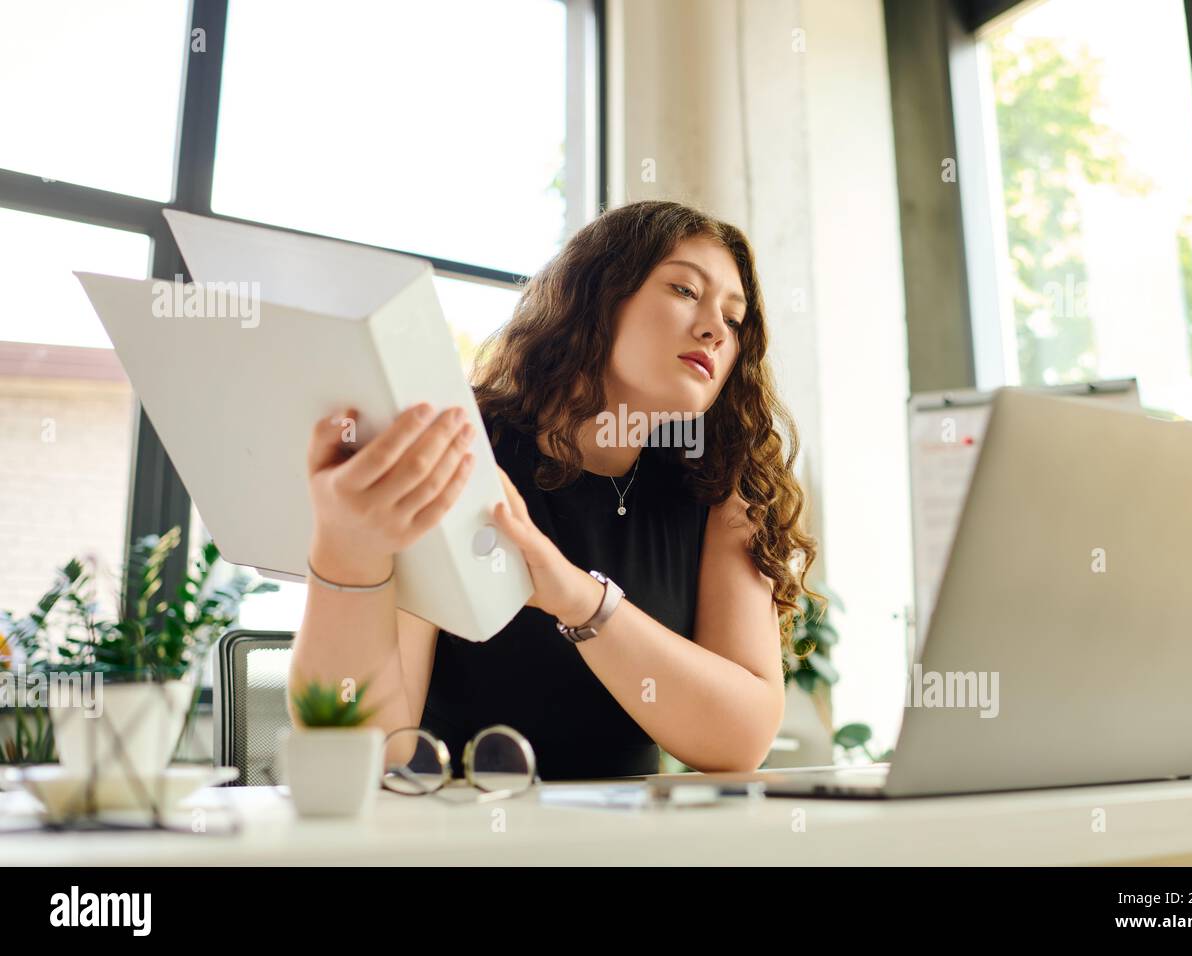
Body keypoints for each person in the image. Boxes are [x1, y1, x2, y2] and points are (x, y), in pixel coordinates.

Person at [289, 199, 821, 780]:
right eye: (685, 291)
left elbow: (739, 740)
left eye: (735, 318)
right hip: (458, 836)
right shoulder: (463, 452)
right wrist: (346, 549)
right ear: (598, 295)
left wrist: (578, 598)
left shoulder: (719, 482)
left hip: (629, 843)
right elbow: (364, 747)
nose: (716, 329)